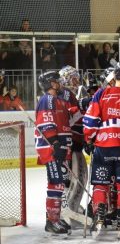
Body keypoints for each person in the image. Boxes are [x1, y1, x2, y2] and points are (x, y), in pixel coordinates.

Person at [83, 61, 120, 238]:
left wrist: (89, 138)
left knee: (101, 184)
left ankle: (99, 214)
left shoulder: (102, 94)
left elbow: (90, 120)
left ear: (114, 76)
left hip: (104, 146)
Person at [34, 71, 72, 235]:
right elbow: (46, 122)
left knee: (59, 183)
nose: (60, 82)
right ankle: (52, 221)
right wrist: (56, 143)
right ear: (51, 83)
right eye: (57, 80)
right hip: (51, 148)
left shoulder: (57, 100)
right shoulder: (47, 99)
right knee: (56, 183)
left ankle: (55, 217)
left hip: (58, 147)